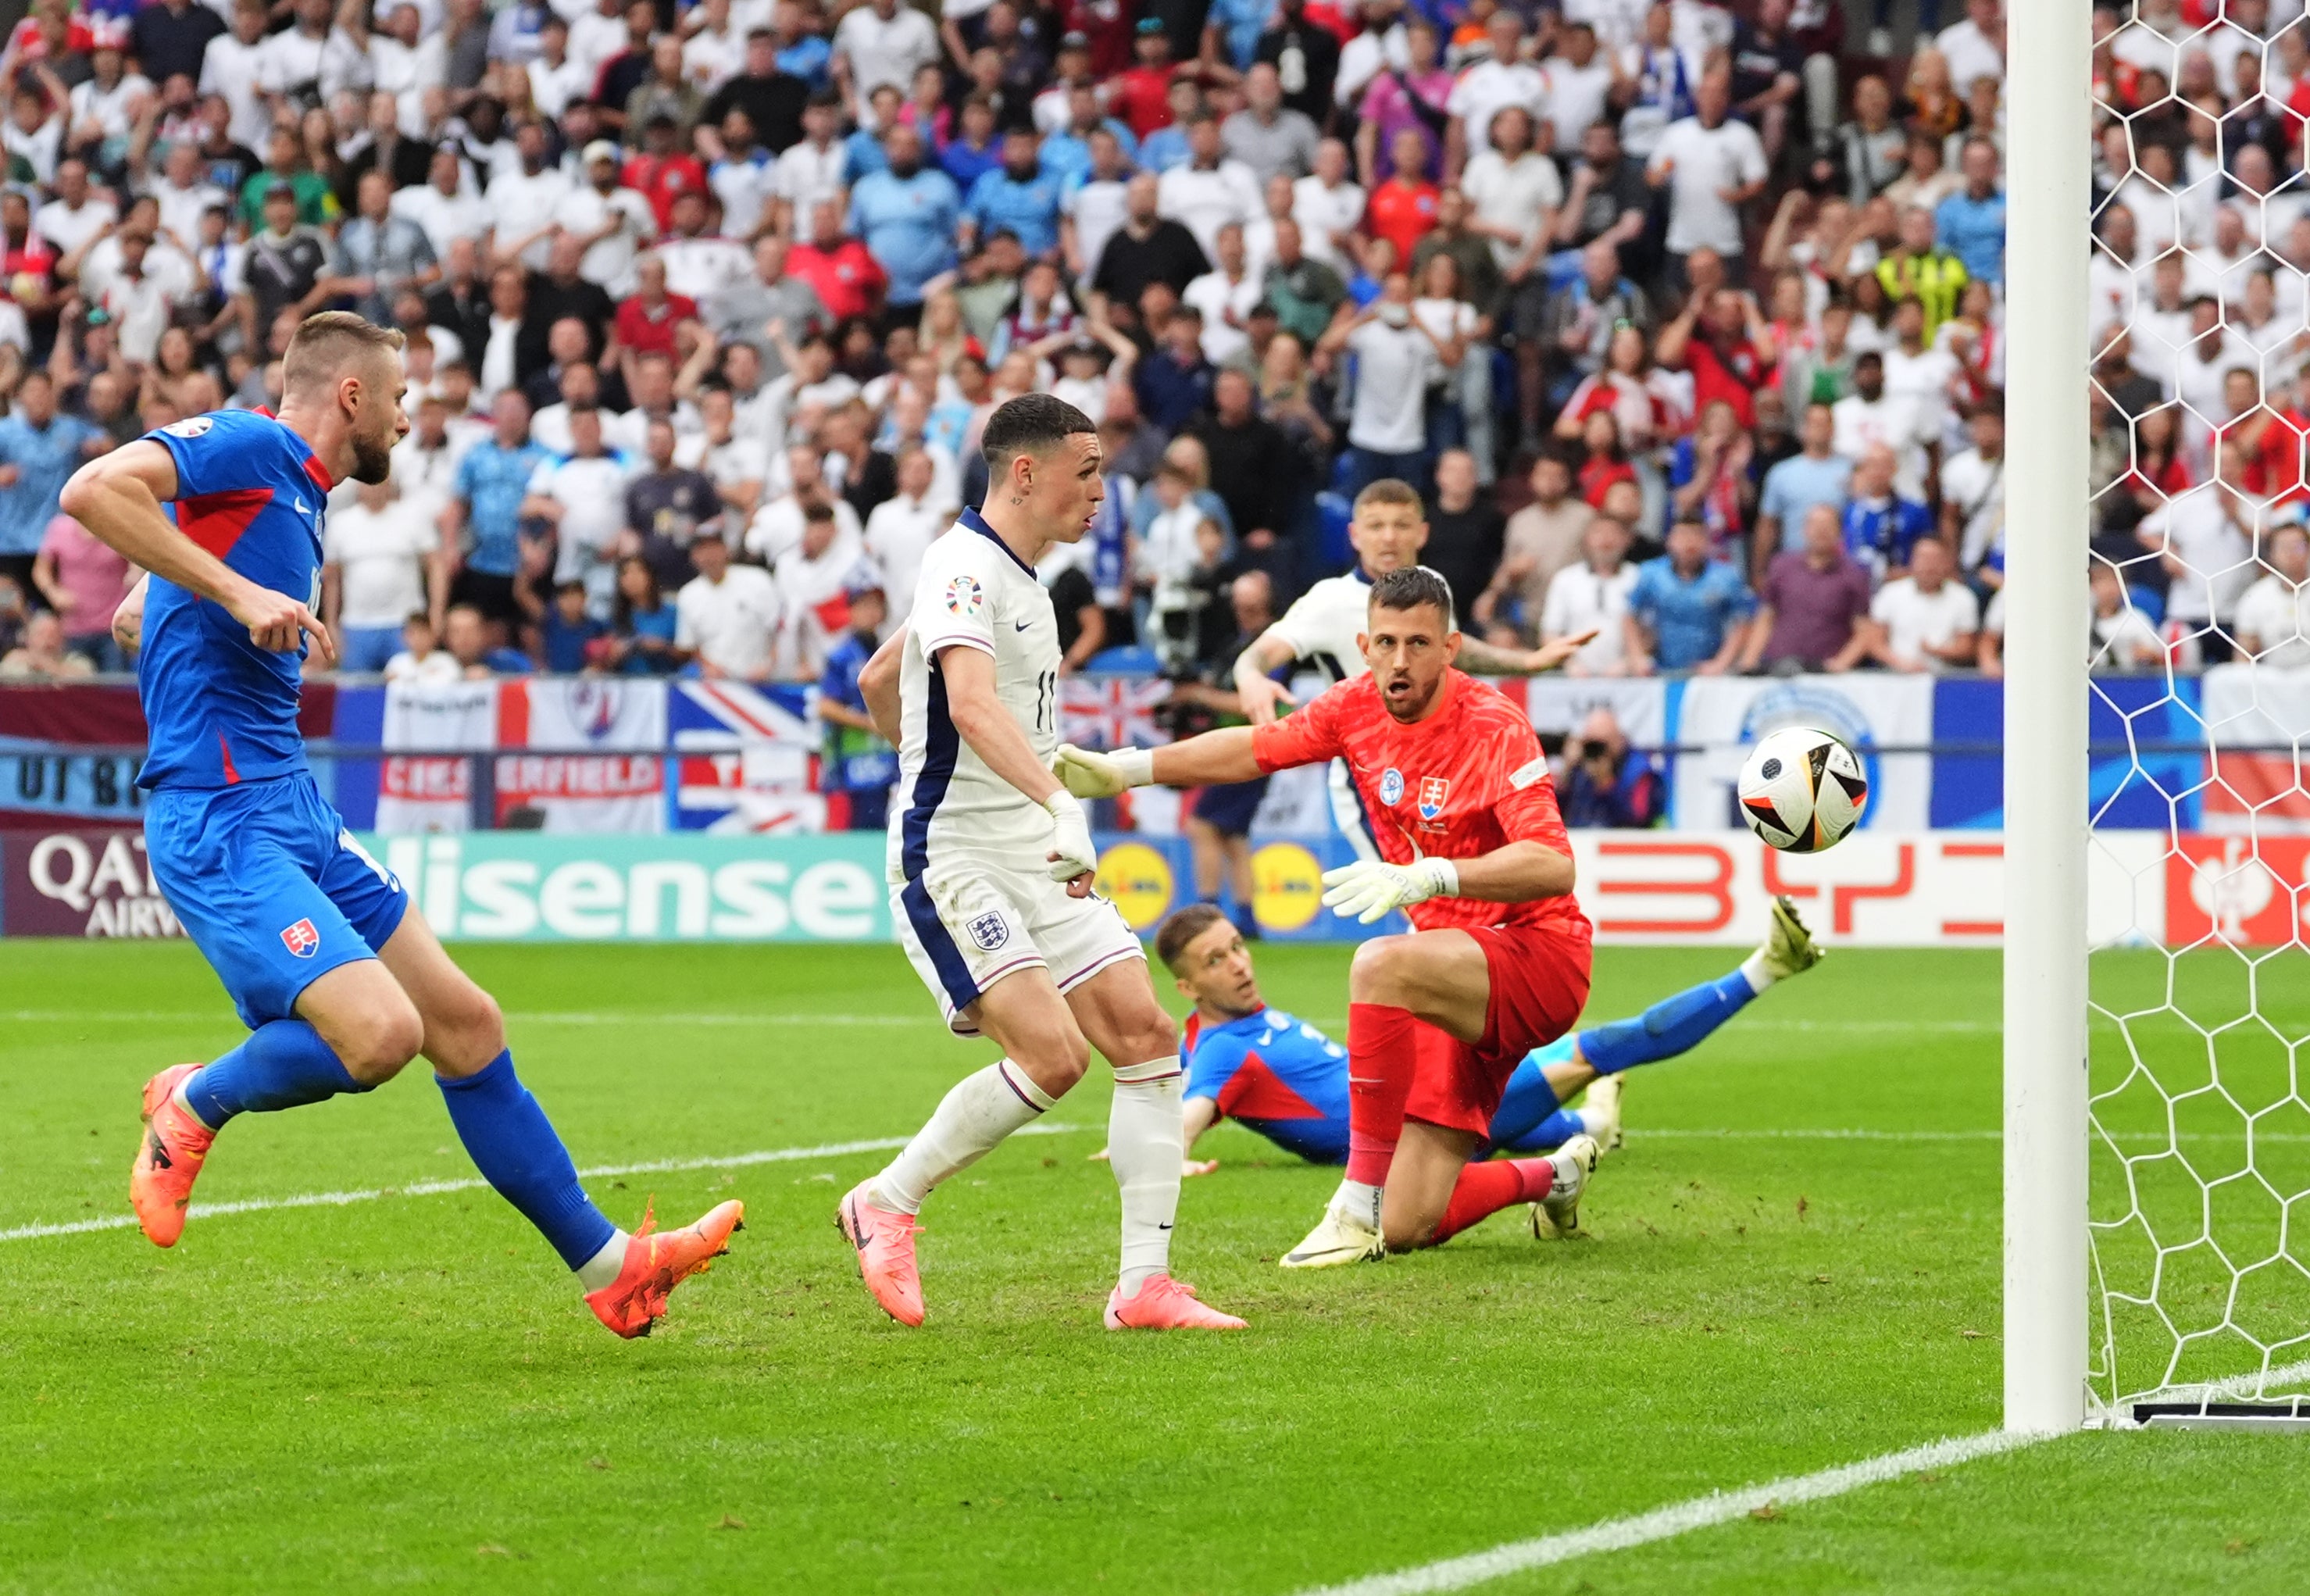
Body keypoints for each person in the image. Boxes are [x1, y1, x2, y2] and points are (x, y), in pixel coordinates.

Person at [66, 312, 739, 1337]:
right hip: (218, 815)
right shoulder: (254, 442)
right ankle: (194, 1099)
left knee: (466, 1024)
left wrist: (154, 583)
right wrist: (228, 586)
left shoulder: (294, 490)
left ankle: (615, 1266)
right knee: (382, 1034)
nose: (409, 416)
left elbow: (179, 528)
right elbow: (92, 491)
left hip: (291, 804)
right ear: (351, 396)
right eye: (400, 398)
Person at [838, 394, 1247, 1334]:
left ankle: (1143, 1286)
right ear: (1025, 473)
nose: (1102, 492)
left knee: (1146, 1036)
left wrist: (1030, 799)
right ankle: (885, 1203)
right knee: (1053, 1056)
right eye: (1088, 470)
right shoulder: (961, 564)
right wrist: (1030, 798)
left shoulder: (1015, 575)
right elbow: (973, 707)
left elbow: (876, 680)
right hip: (957, 857)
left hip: (1034, 851)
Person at [1055, 566, 1600, 1266]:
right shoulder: (1354, 707)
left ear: (1451, 647)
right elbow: (1256, 748)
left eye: (1417, 644)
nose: (1399, 661)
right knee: (1407, 1225)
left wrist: (1430, 874)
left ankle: (1351, 1203)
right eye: (1385, 643)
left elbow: (1553, 863)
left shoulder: (1494, 725)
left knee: (1379, 963)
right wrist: (1128, 769)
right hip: (1450, 976)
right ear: (1362, 644)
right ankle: (1554, 1174)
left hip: (1537, 954)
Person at [1156, 897, 1822, 1190]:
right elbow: (1193, 1112)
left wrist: (1137, 1131)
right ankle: (1767, 967)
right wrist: (1167, 1155)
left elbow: (1170, 1089)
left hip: (1432, 1094)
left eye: (1237, 947)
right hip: (1423, 1119)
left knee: (1544, 1101)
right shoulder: (1221, 1050)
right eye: (1216, 962)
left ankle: (1592, 1123)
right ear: (1188, 985)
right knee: (1597, 1048)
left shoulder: (1222, 1032)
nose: (1240, 965)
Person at [1227, 478, 1591, 858]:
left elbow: (1453, 650)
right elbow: (1256, 655)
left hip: (1437, 772)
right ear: (1354, 535)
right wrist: (1251, 677)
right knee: (1426, 905)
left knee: (1457, 905)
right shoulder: (1329, 601)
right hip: (1371, 783)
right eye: (1376, 526)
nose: (1389, 538)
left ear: (1422, 533)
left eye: (1401, 525)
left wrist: (1529, 661)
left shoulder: (1433, 586)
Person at [1740, 502, 1877, 673]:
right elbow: (1766, 617)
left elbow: (1864, 629)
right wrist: (1750, 659)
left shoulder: (1854, 575)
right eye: (1815, 525)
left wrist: (1841, 664)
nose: (1821, 531)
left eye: (1827, 526)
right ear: (1805, 530)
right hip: (1779, 669)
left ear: (1840, 532)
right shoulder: (1781, 567)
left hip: (1826, 673)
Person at [817, 577, 898, 828]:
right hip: (850, 761)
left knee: (882, 821)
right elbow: (825, 706)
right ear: (850, 612)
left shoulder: (889, 651)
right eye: (862, 606)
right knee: (849, 826)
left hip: (884, 758)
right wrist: (868, 722)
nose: (870, 613)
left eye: (875, 606)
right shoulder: (840, 656)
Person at [1626, 520, 1755, 675]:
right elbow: (1629, 614)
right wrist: (1637, 657)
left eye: (1697, 536)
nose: (1689, 542)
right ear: (1669, 541)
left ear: (1707, 541)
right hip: (1660, 668)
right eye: (1683, 536)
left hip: (1709, 669)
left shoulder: (1727, 576)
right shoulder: (1651, 573)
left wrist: (1721, 663)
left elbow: (1744, 620)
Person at [1866, 536, 1980, 673]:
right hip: (1895, 677)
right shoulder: (1890, 593)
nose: (1929, 566)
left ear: (1947, 563)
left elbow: (1967, 647)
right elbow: (1874, 642)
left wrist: (1937, 651)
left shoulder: (1963, 597)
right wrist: (1900, 663)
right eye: (1924, 559)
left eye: (1935, 559)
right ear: (1912, 561)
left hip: (1945, 678)